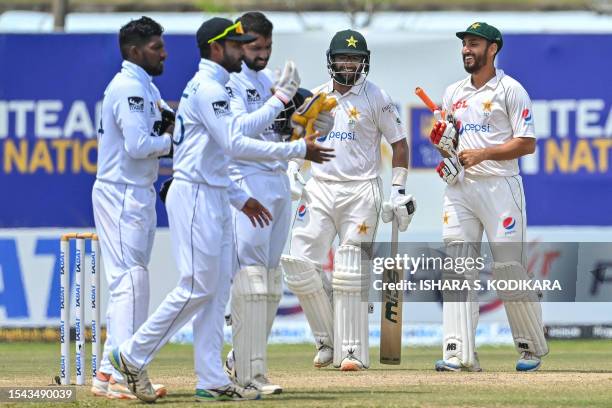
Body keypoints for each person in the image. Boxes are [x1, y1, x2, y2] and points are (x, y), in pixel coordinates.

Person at [109, 17, 333, 403]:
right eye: (237, 45)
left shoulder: (215, 85)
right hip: (195, 194)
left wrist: (237, 196)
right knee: (197, 286)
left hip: (212, 190)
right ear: (217, 48)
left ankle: (211, 376)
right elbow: (234, 142)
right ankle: (130, 355)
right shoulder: (210, 87)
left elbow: (213, 152)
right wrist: (294, 140)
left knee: (212, 295)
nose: (244, 50)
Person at [281, 29, 416, 371]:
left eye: (355, 58)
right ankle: (328, 337)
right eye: (344, 57)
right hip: (320, 188)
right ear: (331, 60)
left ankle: (352, 350)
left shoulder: (376, 96)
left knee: (351, 269)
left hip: (361, 190)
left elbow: (399, 143)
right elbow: (300, 136)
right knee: (298, 265)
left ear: (364, 62)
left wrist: (398, 188)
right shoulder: (315, 96)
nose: (349, 64)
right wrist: (293, 168)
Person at [222, 12, 334, 395]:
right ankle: (243, 370)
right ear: (238, 44)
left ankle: (250, 366)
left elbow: (292, 127)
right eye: (255, 47)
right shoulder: (232, 82)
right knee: (251, 278)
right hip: (246, 180)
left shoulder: (268, 80)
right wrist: (282, 100)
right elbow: (239, 133)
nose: (262, 54)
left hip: (276, 180)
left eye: (268, 46)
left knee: (270, 282)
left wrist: (308, 116)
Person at [430, 22, 547, 372]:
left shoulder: (511, 90)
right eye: (465, 44)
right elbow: (446, 142)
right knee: (457, 267)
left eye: (474, 43)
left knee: (508, 268)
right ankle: (458, 352)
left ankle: (530, 347)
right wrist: (443, 143)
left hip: (501, 187)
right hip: (461, 189)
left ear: (492, 49)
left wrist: (481, 154)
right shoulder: (453, 92)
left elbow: (526, 143)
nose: (467, 49)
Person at [91, 16, 171, 399]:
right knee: (131, 283)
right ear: (136, 51)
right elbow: (138, 147)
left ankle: (109, 372)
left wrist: (165, 129)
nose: (164, 53)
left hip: (134, 190)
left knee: (129, 283)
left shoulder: (144, 86)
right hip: (122, 192)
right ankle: (117, 373)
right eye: (156, 47)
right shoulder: (129, 88)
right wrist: (174, 139)